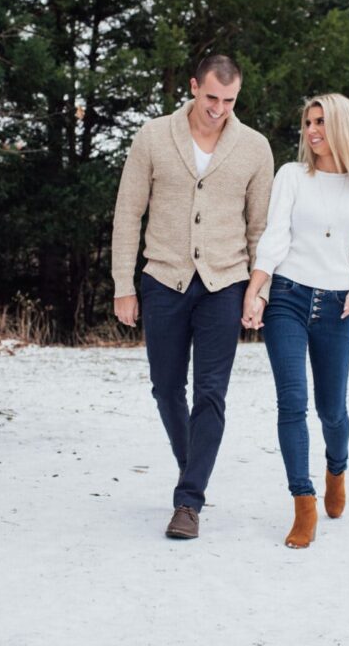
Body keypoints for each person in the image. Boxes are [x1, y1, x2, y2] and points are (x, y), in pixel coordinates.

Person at [111, 55, 274, 540]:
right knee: (166, 388)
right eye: (211, 98)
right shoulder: (153, 136)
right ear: (193, 88)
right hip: (163, 278)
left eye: (229, 101)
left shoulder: (255, 148)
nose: (218, 109)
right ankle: (193, 465)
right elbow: (127, 213)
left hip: (224, 283)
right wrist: (123, 285)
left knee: (210, 394)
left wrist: (257, 292)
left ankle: (189, 502)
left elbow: (260, 228)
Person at [241, 93, 349, 548]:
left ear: (342, 125)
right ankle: (303, 503)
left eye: (320, 121)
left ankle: (336, 470)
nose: (312, 130)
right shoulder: (291, 176)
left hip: (336, 305)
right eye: (307, 122)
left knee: (332, 411)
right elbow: (275, 235)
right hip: (287, 295)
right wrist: (256, 288)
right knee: (292, 402)